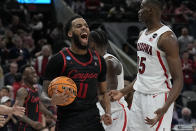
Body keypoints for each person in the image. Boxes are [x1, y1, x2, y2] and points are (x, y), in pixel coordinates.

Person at [109, 0, 183, 130]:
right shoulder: (142, 34)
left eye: (141, 8)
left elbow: (178, 80)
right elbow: (142, 74)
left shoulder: (167, 38)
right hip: (139, 95)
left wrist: (165, 108)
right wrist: (123, 92)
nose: (138, 11)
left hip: (157, 96)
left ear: (150, 10)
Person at [43, 15, 112, 131]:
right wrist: (52, 100)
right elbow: (43, 94)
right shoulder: (59, 60)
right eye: (79, 26)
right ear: (70, 33)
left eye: (86, 26)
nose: (84, 28)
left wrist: (108, 112)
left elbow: (103, 92)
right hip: (68, 122)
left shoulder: (99, 61)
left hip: (93, 120)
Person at [88, 30, 129, 131]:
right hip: (101, 113)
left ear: (92, 43)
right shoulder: (95, 61)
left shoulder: (109, 62)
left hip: (115, 114)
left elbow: (109, 94)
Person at [15, 65, 55, 131]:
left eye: (35, 73)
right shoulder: (23, 91)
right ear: (24, 76)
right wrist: (32, 123)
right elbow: (17, 112)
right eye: (32, 73)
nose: (35, 75)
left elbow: (39, 105)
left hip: (34, 126)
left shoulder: (35, 89)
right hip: (24, 127)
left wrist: (52, 116)